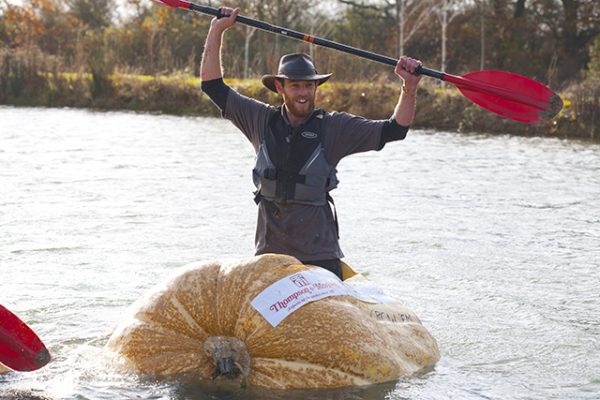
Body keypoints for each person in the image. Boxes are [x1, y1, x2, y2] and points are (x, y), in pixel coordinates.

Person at [200, 7, 422, 280]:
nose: (303, 93)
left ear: (316, 87)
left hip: (320, 261)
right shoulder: (260, 120)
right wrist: (217, 30)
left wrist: (409, 87)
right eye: (296, 86)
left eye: (309, 86)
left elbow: (395, 130)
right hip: (270, 259)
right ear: (280, 88)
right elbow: (212, 86)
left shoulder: (334, 127)